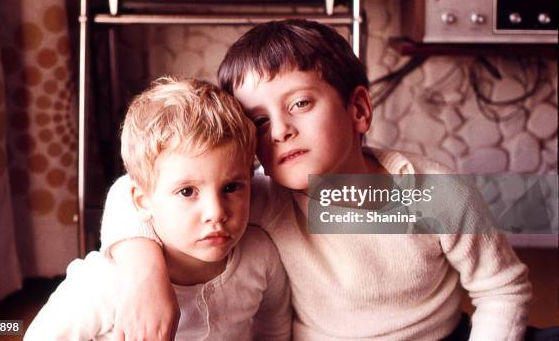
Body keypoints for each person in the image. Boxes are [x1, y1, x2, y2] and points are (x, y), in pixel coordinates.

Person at [100, 19, 532, 340]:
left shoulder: (440, 194)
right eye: (260, 122)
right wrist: (146, 274)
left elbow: (502, 290)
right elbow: (130, 191)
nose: (282, 130)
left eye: (301, 103)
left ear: (358, 110)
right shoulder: (263, 199)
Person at [25, 77, 292, 340]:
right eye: (187, 192)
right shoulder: (106, 282)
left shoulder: (261, 257)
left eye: (231, 187)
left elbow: (274, 332)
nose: (216, 212)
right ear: (142, 202)